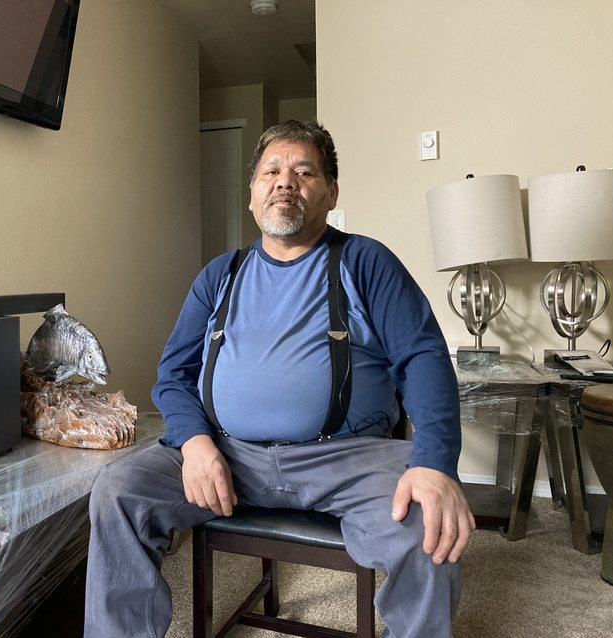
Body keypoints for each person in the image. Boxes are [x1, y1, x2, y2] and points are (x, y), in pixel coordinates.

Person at [85, 120, 474, 637]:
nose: (284, 182)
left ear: (331, 193)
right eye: (271, 171)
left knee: (429, 520)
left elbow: (424, 357)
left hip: (346, 458)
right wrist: (197, 443)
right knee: (117, 491)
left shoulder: (365, 261)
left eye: (303, 171)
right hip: (227, 454)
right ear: (252, 196)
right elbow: (173, 375)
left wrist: (434, 463)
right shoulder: (219, 275)